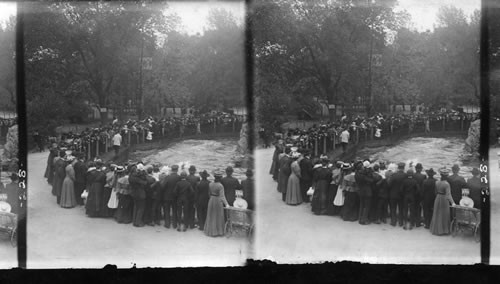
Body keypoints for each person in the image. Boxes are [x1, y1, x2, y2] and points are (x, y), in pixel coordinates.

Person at [430, 168, 456, 236]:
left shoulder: (437, 182)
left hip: (438, 198)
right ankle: (443, 230)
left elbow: (435, 192)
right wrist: (453, 202)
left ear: (440, 175)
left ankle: (436, 230)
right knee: (444, 214)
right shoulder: (447, 184)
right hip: (444, 199)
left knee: (437, 213)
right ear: (446, 176)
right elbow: (448, 194)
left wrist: (438, 196)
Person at [204, 170, 230, 237]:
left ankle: (210, 231)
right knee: (218, 215)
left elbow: (209, 194)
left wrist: (212, 198)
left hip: (211, 199)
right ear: (220, 178)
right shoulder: (220, 186)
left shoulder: (210, 184)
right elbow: (222, 196)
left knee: (211, 215)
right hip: (218, 201)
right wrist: (227, 204)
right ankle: (218, 232)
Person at [161, 164, 180, 229]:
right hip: (175, 197)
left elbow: (162, 187)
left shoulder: (167, 177)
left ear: (171, 170)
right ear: (177, 170)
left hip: (167, 196)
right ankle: (174, 224)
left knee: (167, 210)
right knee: (175, 210)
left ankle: (167, 224)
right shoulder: (179, 177)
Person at [388, 162, 406, 227]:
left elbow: (389, 185)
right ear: (403, 168)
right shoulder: (405, 175)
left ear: (398, 168)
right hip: (402, 195)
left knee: (393, 208)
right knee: (401, 209)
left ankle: (393, 222)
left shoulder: (393, 175)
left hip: (393, 195)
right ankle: (401, 222)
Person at [413, 163, 426, 227]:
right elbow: (424, 186)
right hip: (420, 194)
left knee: (413, 208)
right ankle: (418, 222)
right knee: (419, 208)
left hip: (413, 194)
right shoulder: (423, 176)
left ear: (415, 168)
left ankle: (412, 222)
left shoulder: (412, 175)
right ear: (421, 169)